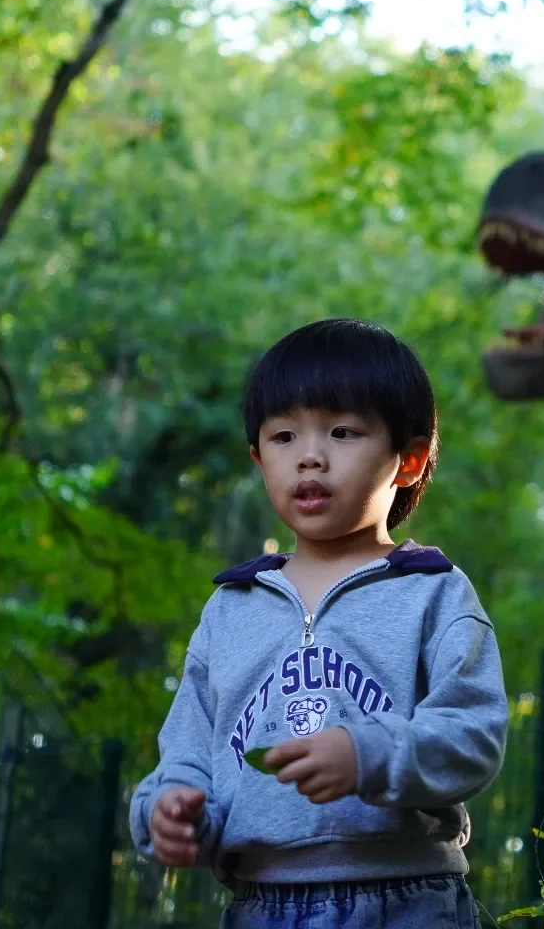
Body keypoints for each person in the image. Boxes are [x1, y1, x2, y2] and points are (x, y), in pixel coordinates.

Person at [129, 318, 509, 929]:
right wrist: (165, 810)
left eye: (342, 430)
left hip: (407, 899)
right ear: (258, 459)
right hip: (258, 905)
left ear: (408, 461)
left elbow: (474, 737)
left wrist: (368, 754)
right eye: (283, 436)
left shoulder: (432, 591)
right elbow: (190, 750)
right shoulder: (233, 607)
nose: (309, 455)